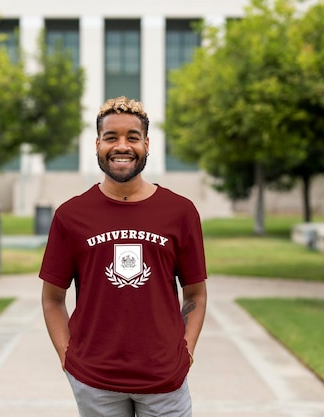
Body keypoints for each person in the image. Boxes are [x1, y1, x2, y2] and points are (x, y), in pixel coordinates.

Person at [39, 96, 208, 417]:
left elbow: (196, 294)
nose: (122, 146)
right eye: (111, 137)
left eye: (132, 137)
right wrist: (67, 356)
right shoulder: (70, 215)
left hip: (164, 380)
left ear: (146, 143)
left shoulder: (180, 211)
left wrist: (186, 351)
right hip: (94, 381)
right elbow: (52, 299)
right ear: (97, 144)